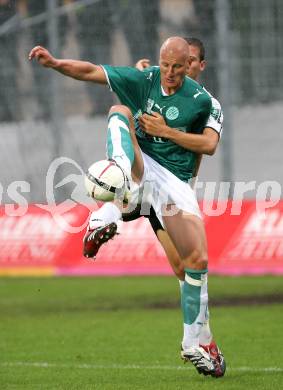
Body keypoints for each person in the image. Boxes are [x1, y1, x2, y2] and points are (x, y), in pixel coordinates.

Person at [29, 36, 223, 377]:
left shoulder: (206, 103)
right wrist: (57, 64)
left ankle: (198, 341)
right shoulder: (146, 79)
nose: (175, 72)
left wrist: (167, 131)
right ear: (162, 61)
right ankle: (109, 201)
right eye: (170, 65)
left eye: (184, 65)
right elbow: (93, 72)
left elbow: (208, 145)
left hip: (174, 188)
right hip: (140, 169)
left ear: (197, 66)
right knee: (118, 115)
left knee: (190, 264)